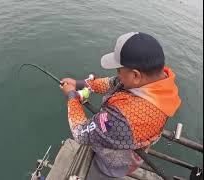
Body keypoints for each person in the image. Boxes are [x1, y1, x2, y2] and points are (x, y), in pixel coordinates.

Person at [60, 32, 181, 179]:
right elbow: (113, 82)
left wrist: (72, 96)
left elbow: (80, 133)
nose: (117, 75)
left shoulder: (123, 118)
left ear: (136, 75)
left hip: (111, 164)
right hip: (131, 145)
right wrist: (81, 84)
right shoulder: (158, 83)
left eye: (119, 70)